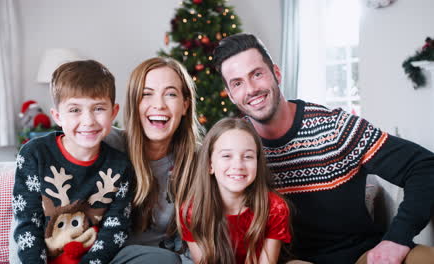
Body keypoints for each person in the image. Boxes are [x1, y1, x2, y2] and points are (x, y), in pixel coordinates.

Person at [212, 33, 434, 264]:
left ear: (276, 73)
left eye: (257, 74)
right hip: (289, 261)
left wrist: (397, 239)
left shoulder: (335, 127)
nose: (250, 89)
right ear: (230, 95)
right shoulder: (235, 148)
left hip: (362, 256)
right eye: (237, 83)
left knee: (426, 259)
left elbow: (424, 166)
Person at [11, 60, 134, 264]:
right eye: (75, 110)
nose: (88, 121)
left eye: (99, 108)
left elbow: (115, 230)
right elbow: (27, 224)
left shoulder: (121, 167)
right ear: (57, 116)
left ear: (113, 112)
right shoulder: (34, 154)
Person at [105, 57, 202, 263]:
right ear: (134, 103)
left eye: (170, 94)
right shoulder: (108, 145)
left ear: (185, 105)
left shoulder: (198, 162)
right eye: (147, 94)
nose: (159, 105)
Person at [179, 117, 291, 264]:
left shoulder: (275, 208)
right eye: (226, 156)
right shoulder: (191, 212)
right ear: (209, 165)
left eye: (248, 156)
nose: (238, 165)